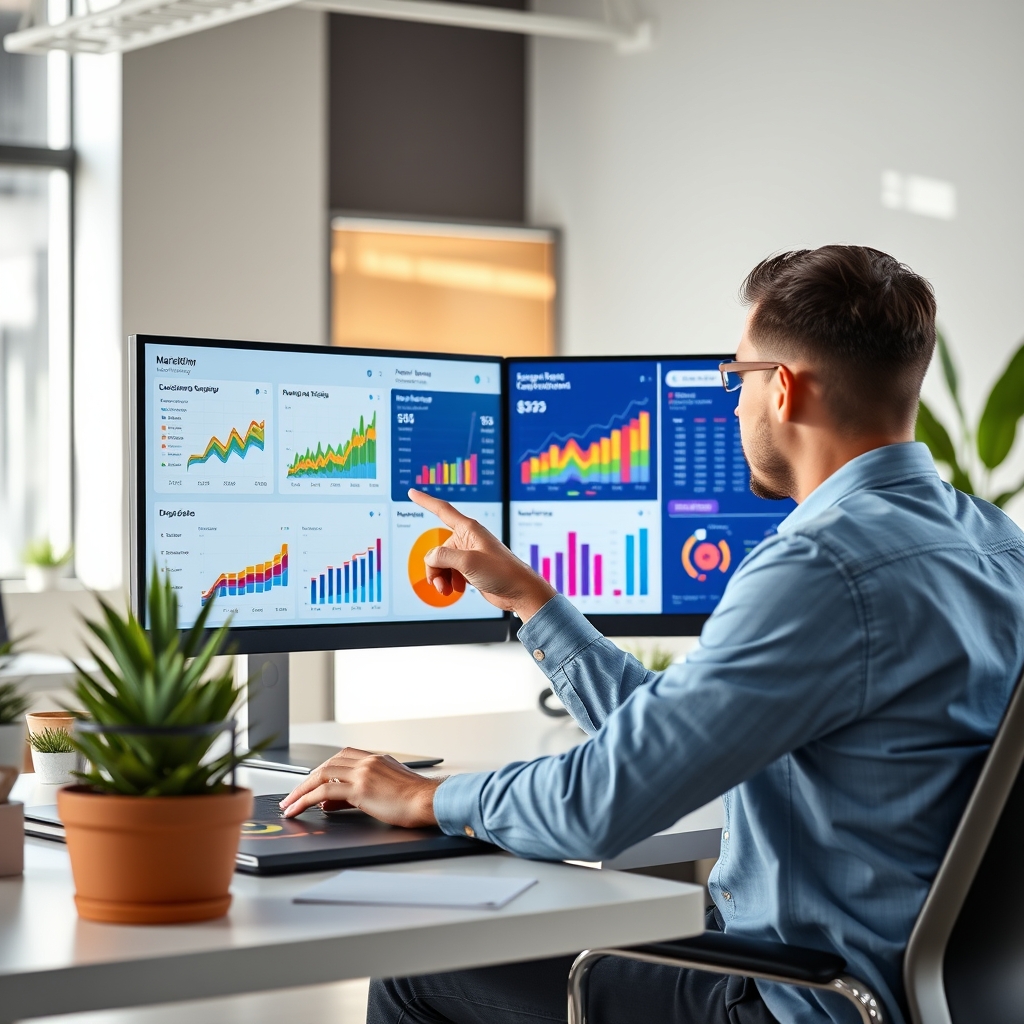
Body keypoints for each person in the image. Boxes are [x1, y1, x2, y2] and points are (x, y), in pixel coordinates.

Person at [281, 246, 1024, 1024]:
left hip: (799, 1000)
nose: (731, 404)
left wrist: (425, 796)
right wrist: (533, 602)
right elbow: (677, 737)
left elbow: (600, 803)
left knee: (415, 964)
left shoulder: (820, 568)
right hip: (927, 998)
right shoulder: (994, 543)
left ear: (785, 389)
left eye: (735, 377)